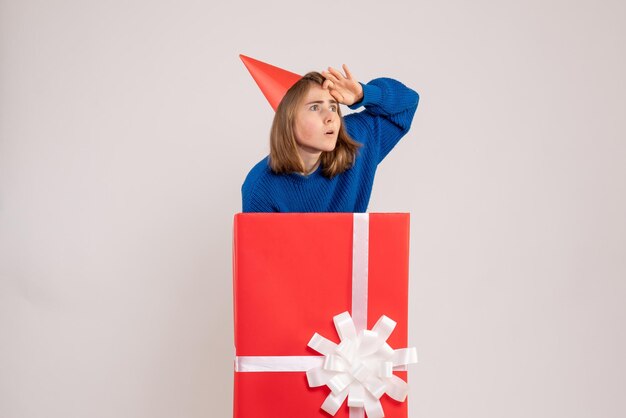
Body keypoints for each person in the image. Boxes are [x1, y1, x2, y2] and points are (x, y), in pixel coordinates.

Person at [241, 60, 419, 212]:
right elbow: (262, 252)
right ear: (289, 121)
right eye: (315, 107)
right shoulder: (260, 187)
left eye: (333, 107)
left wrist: (363, 95)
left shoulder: (356, 140)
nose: (330, 117)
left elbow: (408, 103)